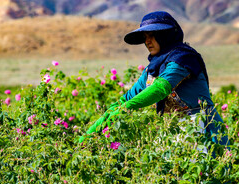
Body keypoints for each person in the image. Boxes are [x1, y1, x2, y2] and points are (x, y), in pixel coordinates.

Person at [78, 11, 229, 153]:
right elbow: (124, 100)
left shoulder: (183, 58)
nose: (147, 41)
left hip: (201, 126)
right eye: (145, 37)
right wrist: (90, 132)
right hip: (172, 129)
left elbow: (160, 88)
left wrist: (127, 108)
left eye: (153, 35)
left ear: (166, 36)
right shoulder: (152, 70)